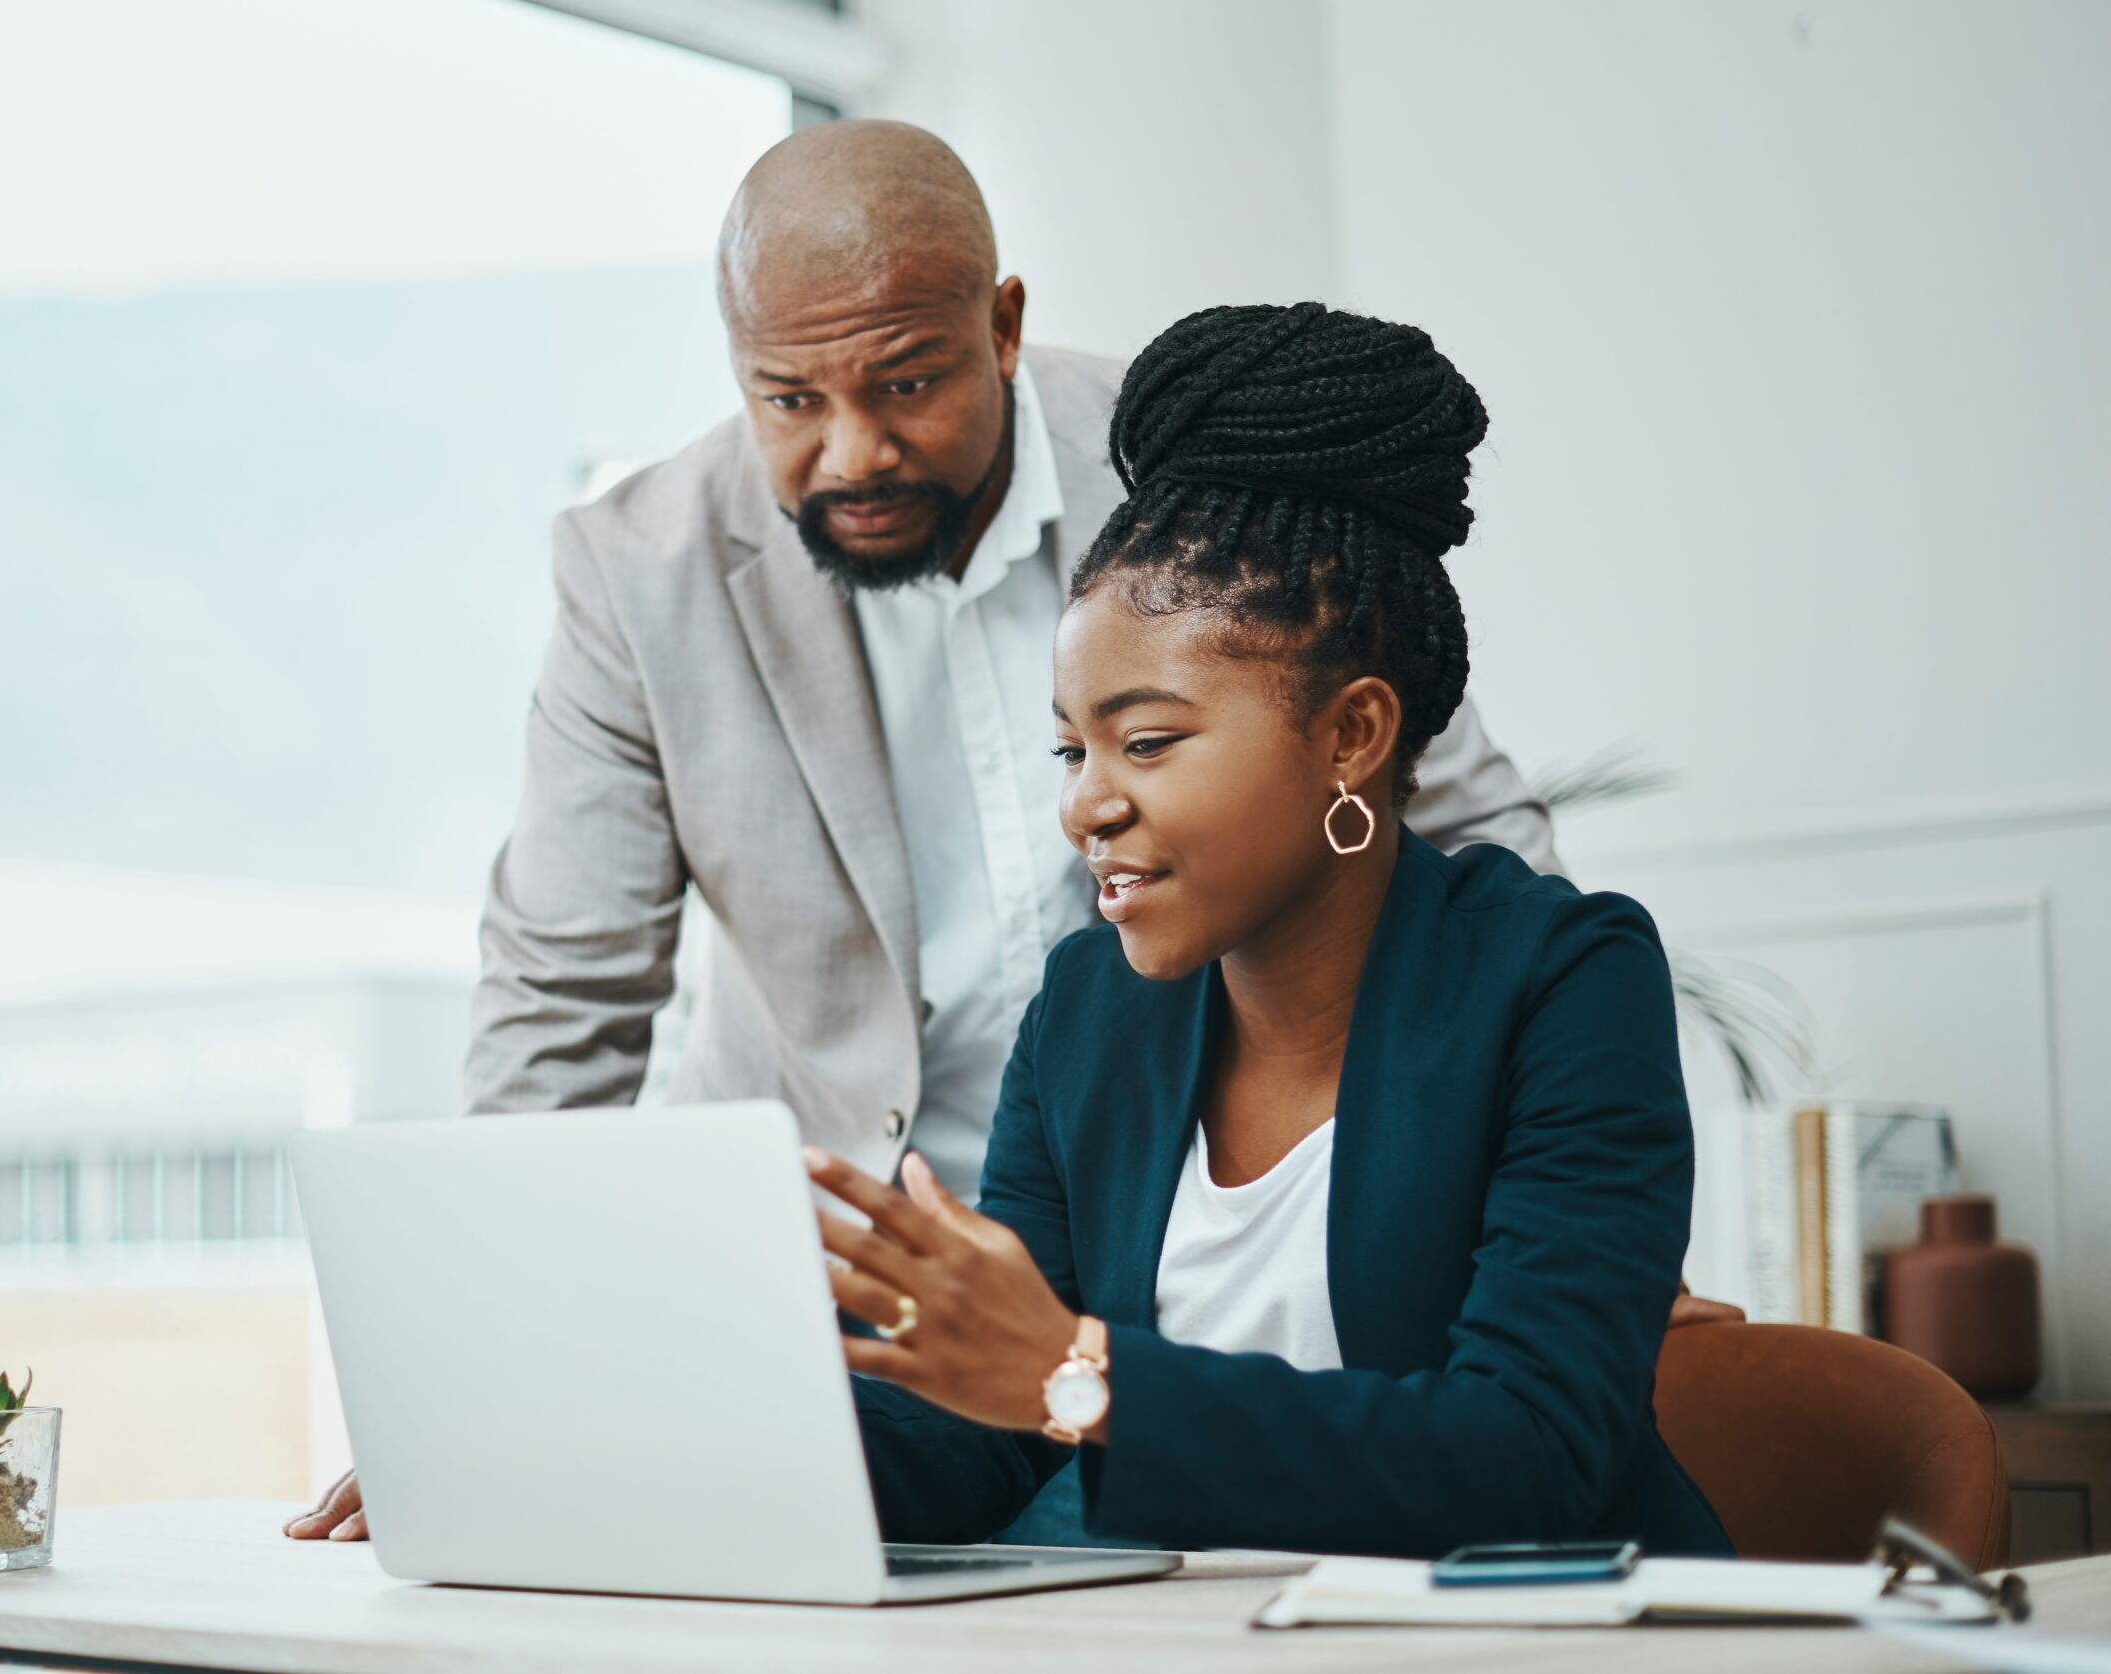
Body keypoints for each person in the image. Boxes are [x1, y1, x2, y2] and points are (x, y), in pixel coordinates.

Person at [288, 122, 1566, 1545]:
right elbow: (560, 1001)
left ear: (1003, 325)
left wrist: (1548, 1199)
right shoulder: (637, 571)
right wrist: (489, 1397)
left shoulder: (1190, 480)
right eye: (788, 399)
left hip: (1197, 1256)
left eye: (905, 383)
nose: (855, 449)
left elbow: (1449, 810)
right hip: (845, 1294)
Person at [802, 302, 1733, 1555]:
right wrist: (759, 1434)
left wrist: (1077, 1373)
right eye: (1069, 748)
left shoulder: (1561, 980)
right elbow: (987, 1431)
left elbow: (1525, 1457)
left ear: (1349, 734)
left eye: (1145, 742)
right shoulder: (1087, 1012)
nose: (1087, 801)